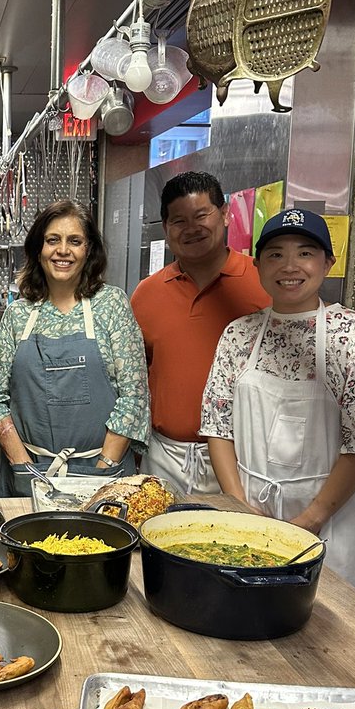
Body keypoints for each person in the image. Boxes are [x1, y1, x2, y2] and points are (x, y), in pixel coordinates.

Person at [200, 208, 355, 601]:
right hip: (252, 513)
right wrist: (238, 504)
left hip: (332, 519)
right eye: (275, 254)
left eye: (305, 253)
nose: (289, 266)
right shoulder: (239, 335)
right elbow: (217, 426)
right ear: (258, 265)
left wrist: (312, 518)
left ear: (329, 262)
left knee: (336, 631)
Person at [0, 198, 150, 496]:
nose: (63, 250)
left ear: (89, 251)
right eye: (52, 240)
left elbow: (134, 398)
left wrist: (103, 467)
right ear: (38, 249)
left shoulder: (111, 305)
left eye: (75, 241)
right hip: (28, 477)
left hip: (103, 475)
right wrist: (22, 465)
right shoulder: (18, 314)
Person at [130, 171, 269, 497]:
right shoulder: (146, 294)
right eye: (178, 221)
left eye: (201, 215)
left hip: (243, 458)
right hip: (164, 455)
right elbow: (136, 377)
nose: (191, 228)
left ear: (225, 214)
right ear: (166, 229)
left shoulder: (263, 283)